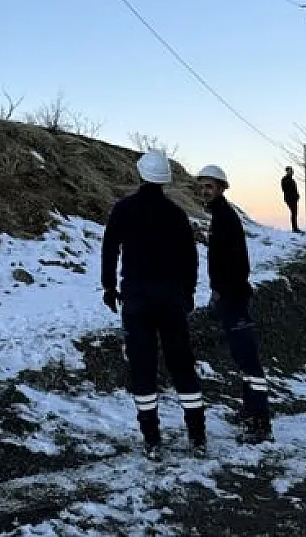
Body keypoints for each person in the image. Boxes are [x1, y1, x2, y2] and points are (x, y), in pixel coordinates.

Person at [101, 150, 207, 460]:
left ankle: (152, 440)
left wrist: (108, 286)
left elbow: (109, 250)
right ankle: (197, 436)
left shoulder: (124, 209)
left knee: (143, 369)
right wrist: (187, 293)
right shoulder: (176, 214)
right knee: (182, 366)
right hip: (172, 300)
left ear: (141, 174)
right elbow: (191, 259)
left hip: (137, 300)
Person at [195, 164, 273, 443]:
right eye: (202, 186)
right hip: (229, 295)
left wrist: (222, 292)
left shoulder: (225, 217)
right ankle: (250, 411)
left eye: (210, 186)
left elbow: (238, 264)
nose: (205, 191)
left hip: (234, 297)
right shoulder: (219, 215)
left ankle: (261, 423)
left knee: (249, 360)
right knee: (243, 359)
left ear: (221, 188)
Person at [280, 166, 301, 233]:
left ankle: (295, 228)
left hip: (294, 198)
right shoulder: (284, 179)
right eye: (289, 171)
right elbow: (284, 189)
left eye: (291, 171)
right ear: (287, 171)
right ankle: (294, 228)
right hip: (289, 198)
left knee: (294, 213)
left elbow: (295, 189)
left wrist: (297, 195)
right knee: (293, 213)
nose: (291, 172)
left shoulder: (292, 180)